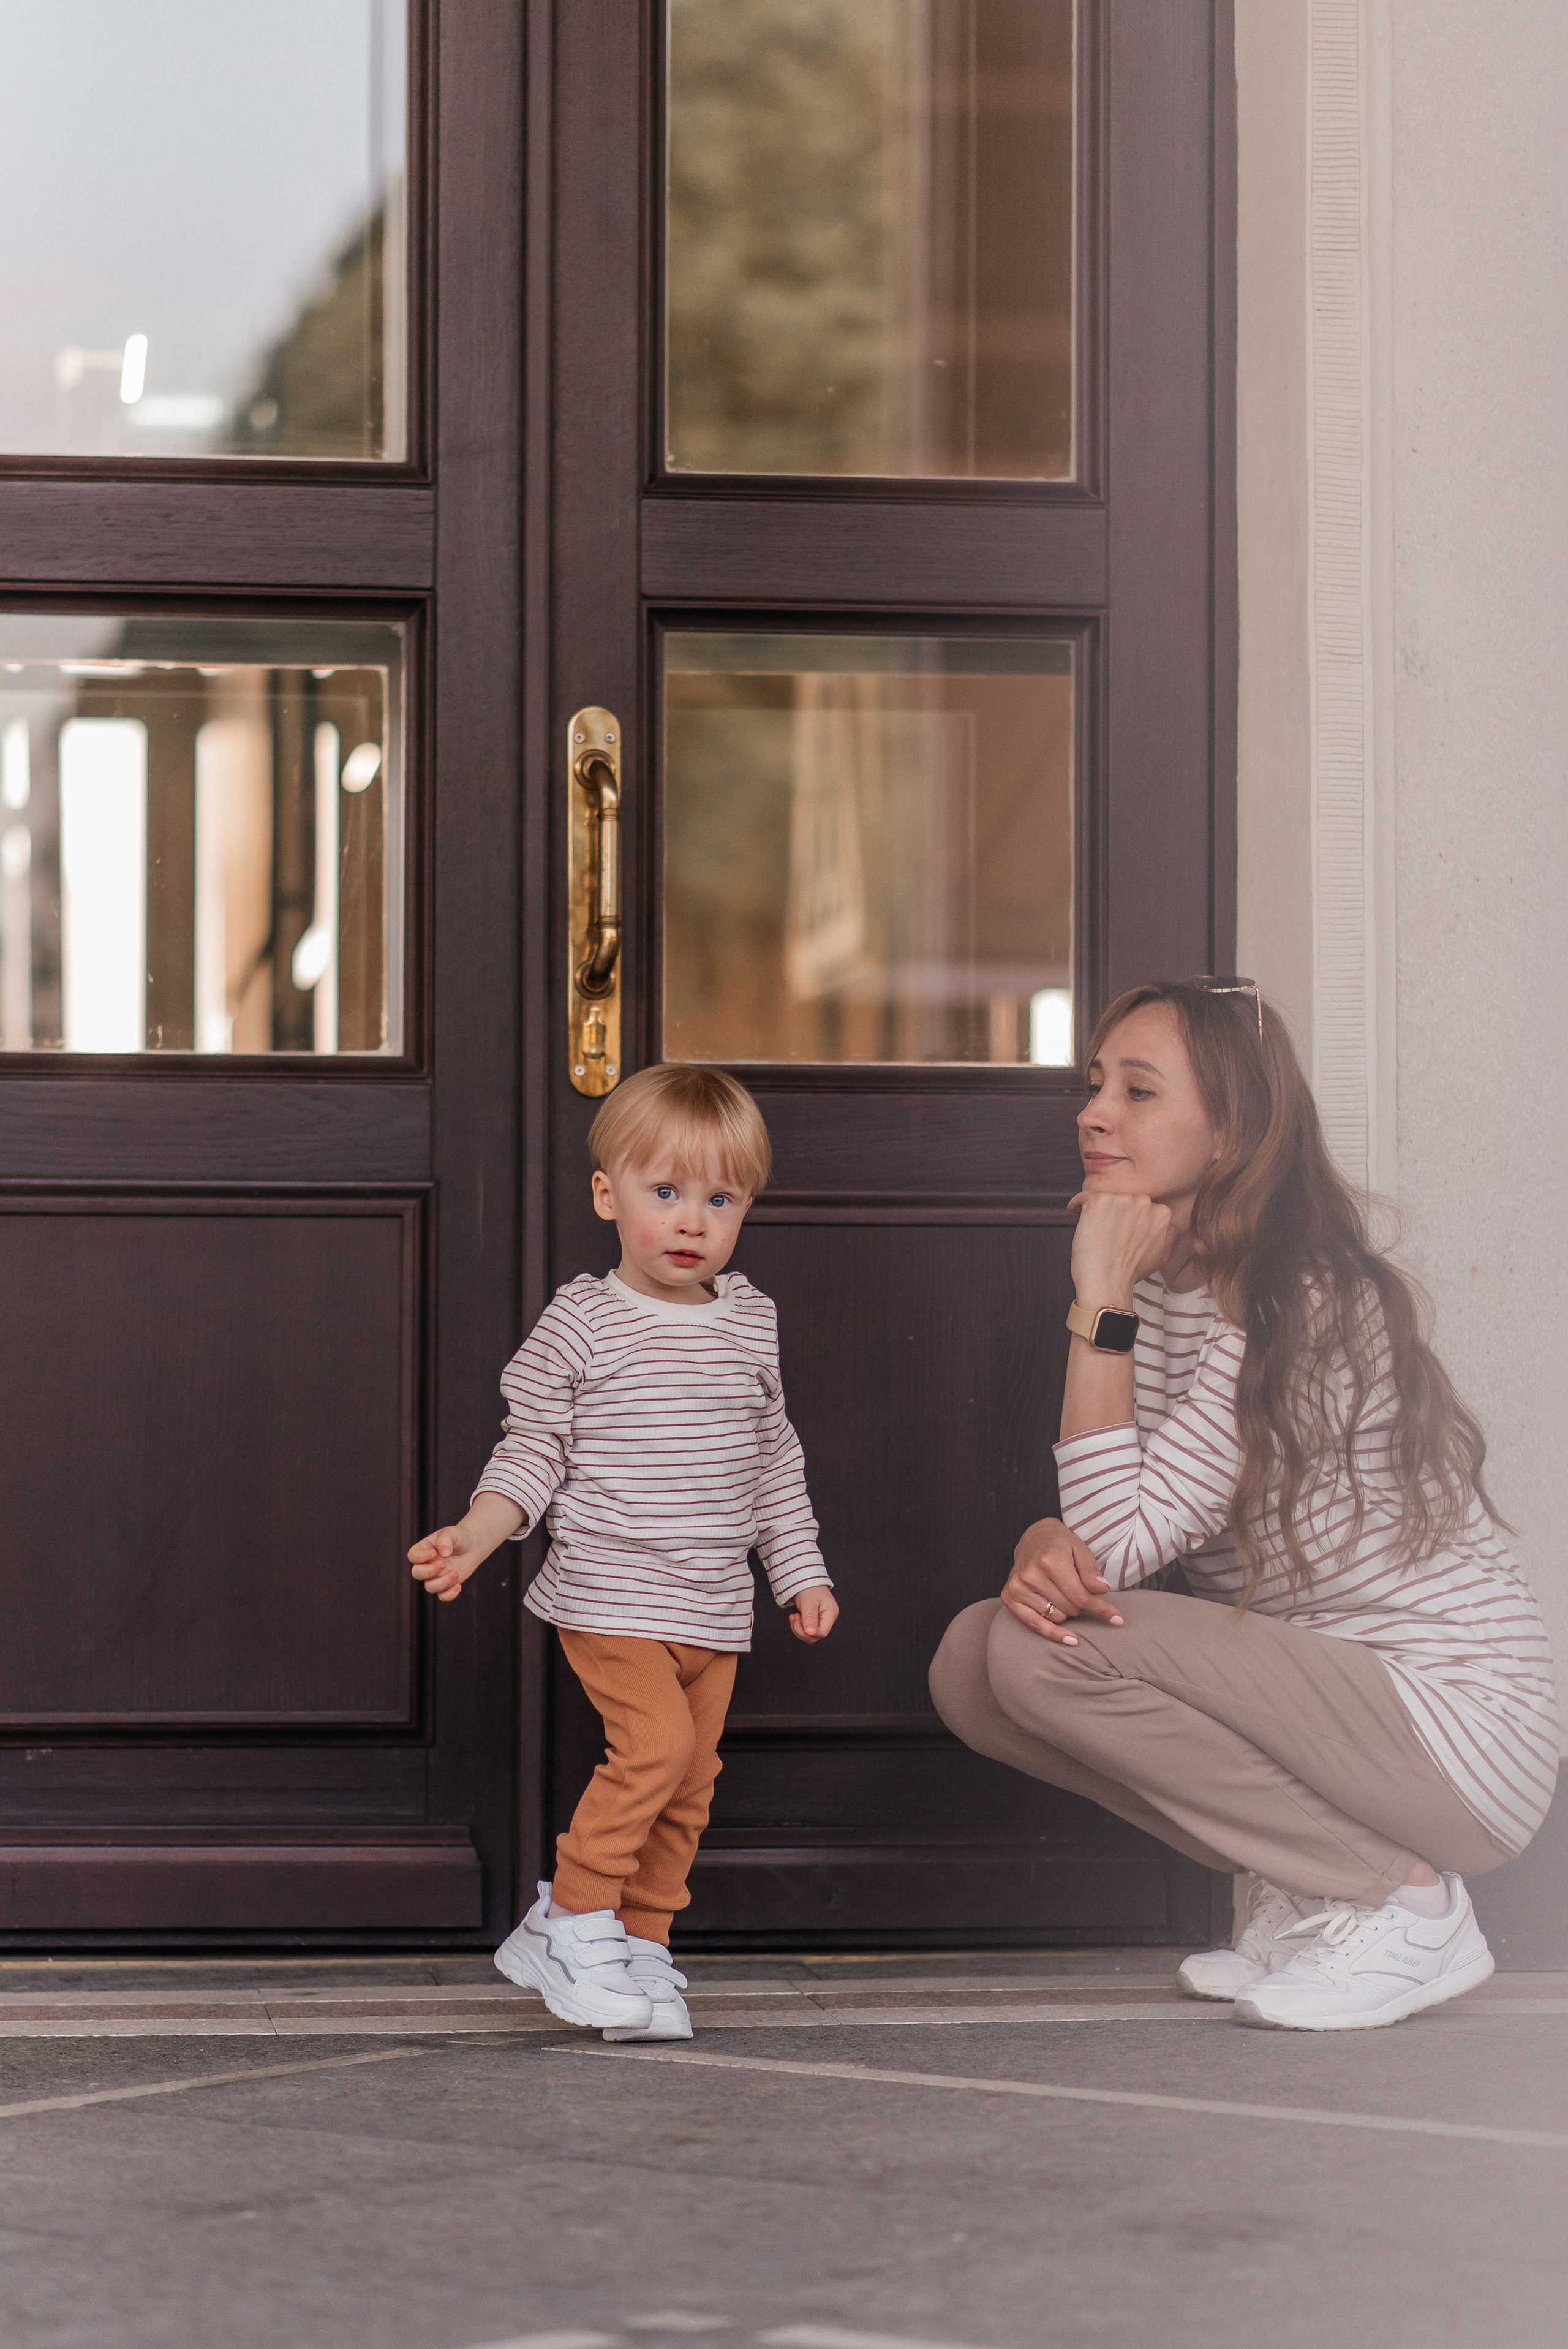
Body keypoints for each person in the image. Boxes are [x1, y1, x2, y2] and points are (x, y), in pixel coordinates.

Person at [930, 977, 1558, 2032]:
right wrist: (1050, 1539)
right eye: (1096, 1086)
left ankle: (1402, 1904)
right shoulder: (1167, 1283)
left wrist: (1099, 1306)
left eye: (1139, 1091)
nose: (1094, 1113)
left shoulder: (1298, 1294)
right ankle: (1328, 1887)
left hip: (1456, 1731)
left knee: (1041, 1651)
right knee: (973, 1662)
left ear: (1231, 1132)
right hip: (1347, 1717)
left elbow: (1117, 1548)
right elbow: (1111, 1531)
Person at [409, 1063, 837, 2041]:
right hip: (613, 1591)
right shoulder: (584, 1321)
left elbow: (775, 1457)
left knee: (690, 1785)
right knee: (653, 1749)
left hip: (715, 1602)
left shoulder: (751, 1320)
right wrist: (479, 1532)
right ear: (608, 1195)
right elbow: (533, 1448)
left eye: (719, 1198)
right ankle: (574, 1914)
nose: (692, 1220)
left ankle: (640, 1942)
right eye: (666, 1192)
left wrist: (798, 1568)